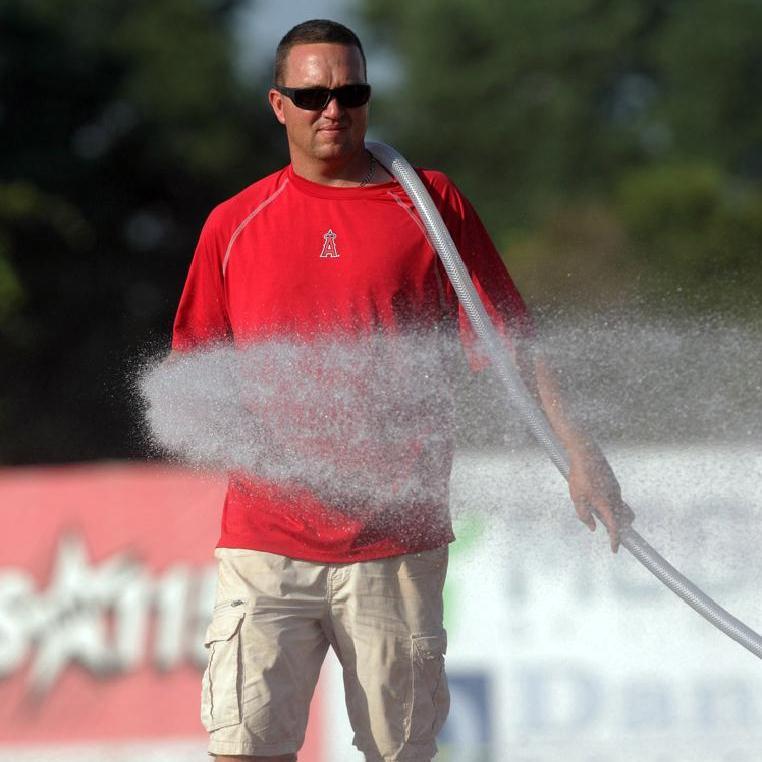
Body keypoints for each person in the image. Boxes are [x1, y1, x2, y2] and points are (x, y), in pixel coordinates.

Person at [170, 18, 633, 762]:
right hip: (267, 549)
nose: (333, 108)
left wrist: (579, 448)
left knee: (401, 754)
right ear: (277, 103)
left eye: (350, 91)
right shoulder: (233, 225)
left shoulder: (431, 205)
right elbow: (194, 375)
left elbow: (505, 338)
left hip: (395, 544)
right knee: (243, 750)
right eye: (312, 93)